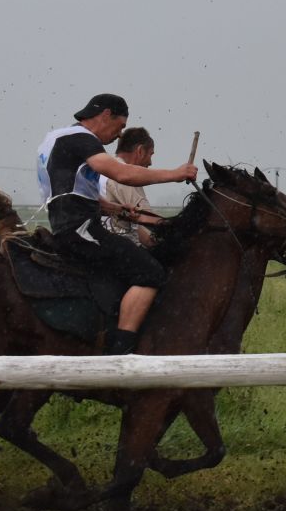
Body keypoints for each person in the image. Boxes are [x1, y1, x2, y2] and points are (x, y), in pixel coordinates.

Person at [37, 94, 197, 355]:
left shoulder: (53, 139)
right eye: (120, 126)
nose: (118, 134)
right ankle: (122, 352)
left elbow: (67, 191)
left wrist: (114, 208)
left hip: (68, 225)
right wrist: (176, 174)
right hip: (81, 230)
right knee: (151, 272)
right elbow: (122, 173)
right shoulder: (82, 138)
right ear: (105, 115)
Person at [101, 127, 164, 247]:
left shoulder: (109, 169)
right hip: (116, 246)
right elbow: (147, 219)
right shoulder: (123, 176)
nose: (150, 162)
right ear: (140, 151)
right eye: (150, 154)